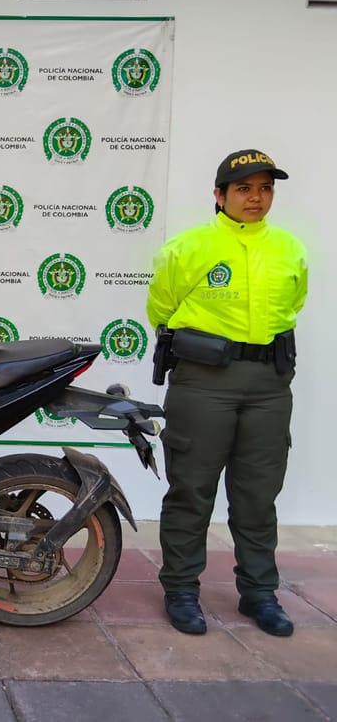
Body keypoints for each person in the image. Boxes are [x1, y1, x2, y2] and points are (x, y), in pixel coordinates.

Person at [146, 148, 307, 637]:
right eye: (244, 188)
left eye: (265, 188)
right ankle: (180, 589)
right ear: (219, 195)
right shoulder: (188, 247)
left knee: (258, 495)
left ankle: (259, 593)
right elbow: (162, 309)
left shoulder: (289, 248)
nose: (256, 198)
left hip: (268, 384)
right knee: (192, 490)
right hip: (204, 382)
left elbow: (294, 303)